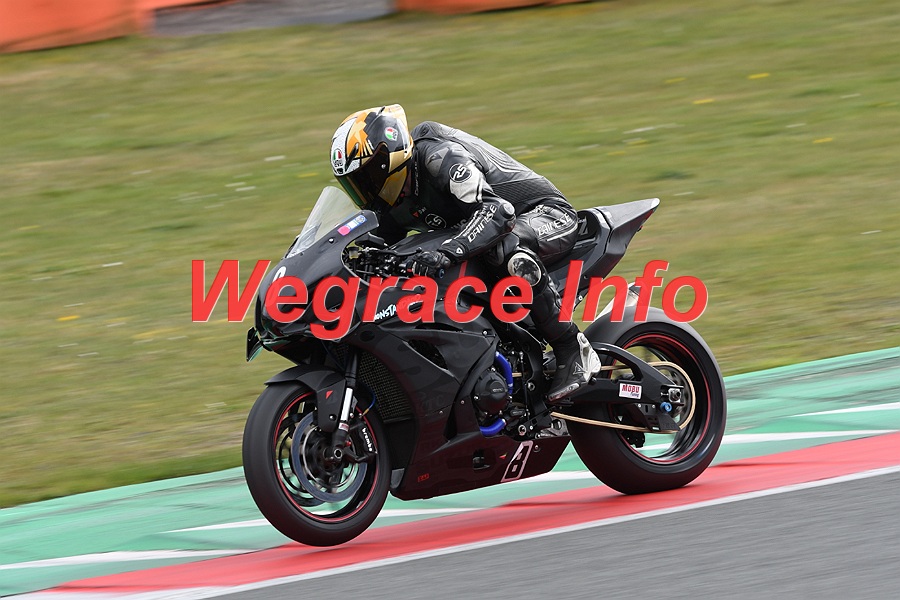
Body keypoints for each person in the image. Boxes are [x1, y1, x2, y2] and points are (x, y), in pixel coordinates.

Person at [330, 104, 601, 402]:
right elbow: (374, 245)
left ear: (389, 161)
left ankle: (572, 348)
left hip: (545, 215)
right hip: (483, 227)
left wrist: (448, 252)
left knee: (502, 249)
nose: (364, 191)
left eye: (366, 178)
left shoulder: (440, 159)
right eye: (354, 184)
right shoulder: (391, 200)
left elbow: (498, 213)